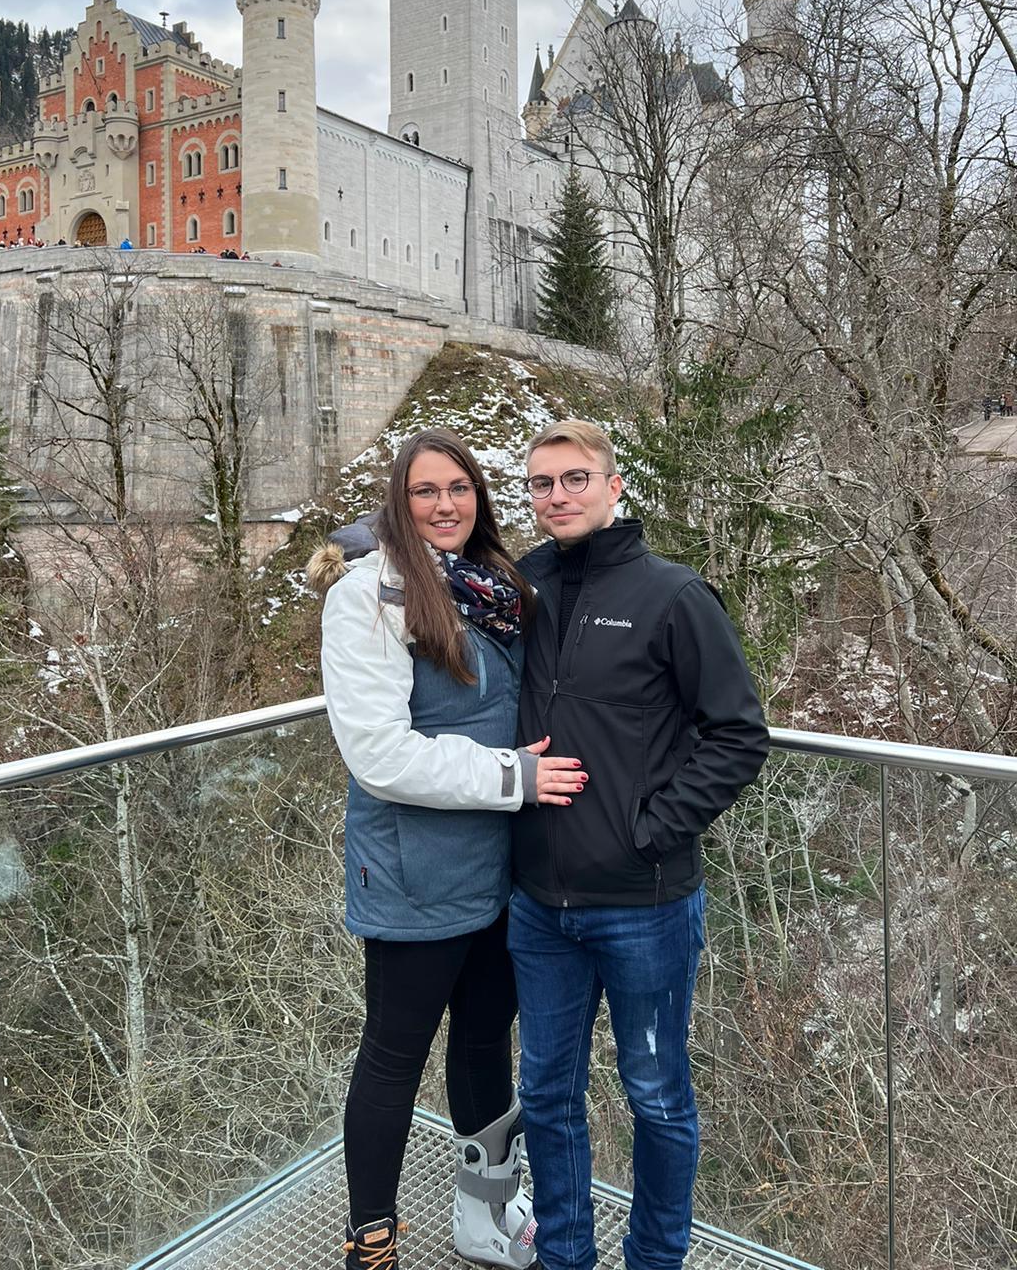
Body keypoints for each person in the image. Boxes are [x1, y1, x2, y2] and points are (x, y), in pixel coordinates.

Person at [309, 428, 586, 1270]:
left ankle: (484, 1214)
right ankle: (372, 1241)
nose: (444, 505)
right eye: (425, 491)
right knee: (395, 1054)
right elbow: (380, 755)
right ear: (401, 501)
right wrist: (515, 780)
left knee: (482, 1042)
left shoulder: (495, 587)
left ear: (479, 498)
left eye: (458, 489)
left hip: (501, 869)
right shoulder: (367, 598)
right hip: (413, 870)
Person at [507, 419, 770, 1270]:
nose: (558, 496)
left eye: (575, 479)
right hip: (538, 904)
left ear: (614, 487)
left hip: (643, 902)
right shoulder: (522, 592)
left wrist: (649, 829)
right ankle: (566, 1257)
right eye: (543, 483)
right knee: (547, 1097)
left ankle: (656, 1257)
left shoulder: (673, 595)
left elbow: (737, 735)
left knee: (655, 1098)